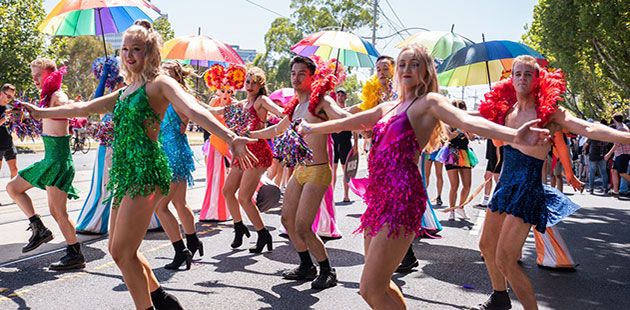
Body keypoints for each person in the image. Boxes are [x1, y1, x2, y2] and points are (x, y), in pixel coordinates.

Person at [23, 20, 256, 310]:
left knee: (123, 251)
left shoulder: (159, 83)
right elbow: (82, 108)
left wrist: (231, 137)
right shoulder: (126, 90)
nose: (129, 55)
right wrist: (40, 110)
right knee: (117, 250)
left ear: (150, 53)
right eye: (125, 49)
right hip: (125, 173)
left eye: (137, 49)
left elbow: (193, 109)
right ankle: (162, 299)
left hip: (146, 172)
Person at [298, 45, 550, 309]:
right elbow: (353, 121)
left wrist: (513, 135)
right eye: (403, 64)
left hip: (402, 199)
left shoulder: (429, 102)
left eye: (414, 64)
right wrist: (312, 127)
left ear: (426, 70)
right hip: (378, 198)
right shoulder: (389, 106)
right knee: (378, 286)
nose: (407, 69)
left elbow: (466, 121)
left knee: (369, 289)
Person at [476, 55, 630, 310]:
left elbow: (588, 129)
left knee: (505, 259)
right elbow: (475, 122)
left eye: (528, 74)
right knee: (486, 245)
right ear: (511, 78)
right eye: (518, 74)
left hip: (527, 191)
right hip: (504, 187)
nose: (523, 78)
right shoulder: (507, 111)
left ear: (538, 79)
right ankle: (500, 298)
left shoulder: (548, 113)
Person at [250, 55, 351, 289]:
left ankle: (327, 270)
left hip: (318, 171)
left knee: (304, 226)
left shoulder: (322, 102)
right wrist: (248, 137)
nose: (296, 77)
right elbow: (277, 129)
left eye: (301, 73)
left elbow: (344, 119)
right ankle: (306, 266)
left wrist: (364, 123)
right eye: (293, 73)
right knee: (287, 220)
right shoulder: (295, 107)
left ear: (312, 76)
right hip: (300, 170)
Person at [6, 58, 84, 270]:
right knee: (13, 187)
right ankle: (38, 228)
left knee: (59, 212)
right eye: (33, 76)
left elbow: (71, 106)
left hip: (58, 162)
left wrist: (71, 106)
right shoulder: (46, 97)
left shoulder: (57, 95)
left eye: (38, 75)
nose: (34, 79)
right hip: (49, 160)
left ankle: (75, 253)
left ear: (50, 74)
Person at [215, 67, 284, 253]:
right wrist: (188, 101)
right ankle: (239, 227)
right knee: (228, 191)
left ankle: (263, 234)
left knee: (244, 198)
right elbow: (216, 112)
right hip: (242, 152)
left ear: (261, 85)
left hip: (258, 153)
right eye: (248, 81)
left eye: (254, 82)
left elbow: (280, 112)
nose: (250, 85)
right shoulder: (241, 104)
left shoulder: (262, 101)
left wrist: (293, 113)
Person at [153, 60, 203, 270]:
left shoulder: (180, 99)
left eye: (168, 72)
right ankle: (192, 241)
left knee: (160, 206)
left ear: (176, 77)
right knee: (179, 203)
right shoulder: (163, 98)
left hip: (173, 157)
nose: (162, 75)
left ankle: (179, 250)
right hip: (168, 153)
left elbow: (202, 112)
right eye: (161, 71)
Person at [437, 100, 477, 220]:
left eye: (463, 108)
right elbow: (448, 136)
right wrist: (459, 129)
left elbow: (472, 138)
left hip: (464, 153)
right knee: (455, 184)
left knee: (467, 185)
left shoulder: (467, 121)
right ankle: (452, 209)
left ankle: (461, 207)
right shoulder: (447, 122)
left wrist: (468, 131)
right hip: (451, 154)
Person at [331, 88, 358, 202]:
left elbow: (355, 128)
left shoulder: (349, 112)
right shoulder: (332, 110)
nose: (340, 97)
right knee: (332, 170)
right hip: (334, 142)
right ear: (336, 97)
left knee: (345, 170)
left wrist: (356, 144)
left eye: (342, 95)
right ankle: (331, 196)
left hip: (346, 142)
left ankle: (346, 195)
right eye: (338, 95)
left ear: (346, 97)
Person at [605, 112, 630, 197]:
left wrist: (608, 154)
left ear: (614, 120)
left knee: (622, 173)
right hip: (619, 153)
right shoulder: (622, 127)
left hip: (623, 153)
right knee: (614, 171)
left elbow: (617, 144)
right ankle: (616, 191)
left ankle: (617, 190)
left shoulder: (621, 129)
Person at [476, 138, 503, 208]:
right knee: (487, 176)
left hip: (497, 154)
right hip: (492, 154)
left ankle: (501, 200)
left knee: (497, 177)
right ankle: (485, 200)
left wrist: (498, 157)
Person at [0, 84, 19, 180]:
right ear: (2, 93)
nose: (10, 99)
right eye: (8, 96)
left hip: (8, 143)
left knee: (14, 171)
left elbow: (10, 126)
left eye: (12, 97)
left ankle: (13, 193)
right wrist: (5, 118)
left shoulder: (9, 108)